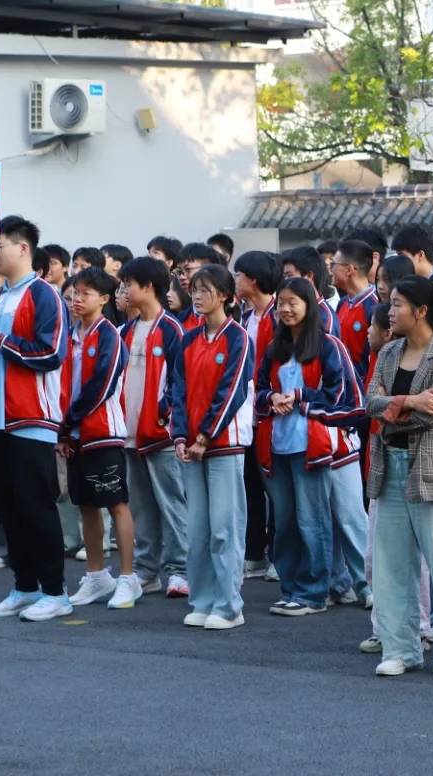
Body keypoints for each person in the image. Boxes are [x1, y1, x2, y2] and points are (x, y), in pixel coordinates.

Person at [365, 275, 433, 678]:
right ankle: (400, 648)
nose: (389, 312)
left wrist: (393, 410)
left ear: (421, 311)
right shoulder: (389, 352)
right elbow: (370, 402)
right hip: (389, 465)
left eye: (397, 304)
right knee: (391, 564)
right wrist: (407, 401)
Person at [0, 216, 72, 623]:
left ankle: (55, 591)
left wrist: (0, 341)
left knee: (35, 506)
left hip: (30, 418)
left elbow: (51, 354)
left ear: (23, 249)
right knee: (7, 508)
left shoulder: (45, 295)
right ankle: (25, 585)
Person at [255, 276, 358, 616]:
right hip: (277, 445)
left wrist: (299, 397)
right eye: (281, 302)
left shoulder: (328, 345)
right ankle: (291, 587)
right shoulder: (274, 349)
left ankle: (315, 592)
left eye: (293, 302)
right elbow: (256, 392)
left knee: (312, 519)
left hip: (313, 445)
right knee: (283, 521)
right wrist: (271, 398)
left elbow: (339, 395)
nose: (285, 309)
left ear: (309, 306)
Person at [171, 264, 254, 630]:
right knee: (199, 530)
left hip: (223, 445)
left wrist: (205, 436)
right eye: (195, 290)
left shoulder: (237, 337)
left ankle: (229, 605)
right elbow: (176, 391)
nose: (198, 296)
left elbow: (232, 391)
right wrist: (180, 435)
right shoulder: (188, 339)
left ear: (224, 295)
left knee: (225, 528)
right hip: (191, 446)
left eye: (206, 290)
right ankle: (202, 599)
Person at [58, 267, 139, 611]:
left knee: (116, 502)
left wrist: (70, 420)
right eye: (75, 292)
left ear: (105, 299)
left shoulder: (109, 335)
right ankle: (95, 575)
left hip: (103, 432)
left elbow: (102, 387)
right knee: (85, 504)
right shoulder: (69, 334)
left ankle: (128, 576)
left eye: (85, 293)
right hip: (73, 432)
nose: (77, 299)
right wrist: (62, 428)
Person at [118, 256, 190, 599]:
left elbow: (180, 383)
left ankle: (180, 568)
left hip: (160, 434)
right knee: (141, 505)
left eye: (129, 284)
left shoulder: (172, 329)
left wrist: (166, 416)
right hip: (129, 431)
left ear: (148, 287)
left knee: (172, 501)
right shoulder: (126, 330)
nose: (124, 290)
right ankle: (148, 569)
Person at [234, 251, 279, 581]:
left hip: (272, 409)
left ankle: (278, 554)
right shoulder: (246, 316)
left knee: (274, 488)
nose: (235, 281)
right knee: (250, 484)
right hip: (249, 412)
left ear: (253, 279)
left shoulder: (277, 314)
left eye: (239, 275)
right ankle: (254, 552)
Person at [333, 239, 380, 380]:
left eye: (333, 264)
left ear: (349, 269)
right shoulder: (342, 303)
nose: (331, 270)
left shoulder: (374, 306)